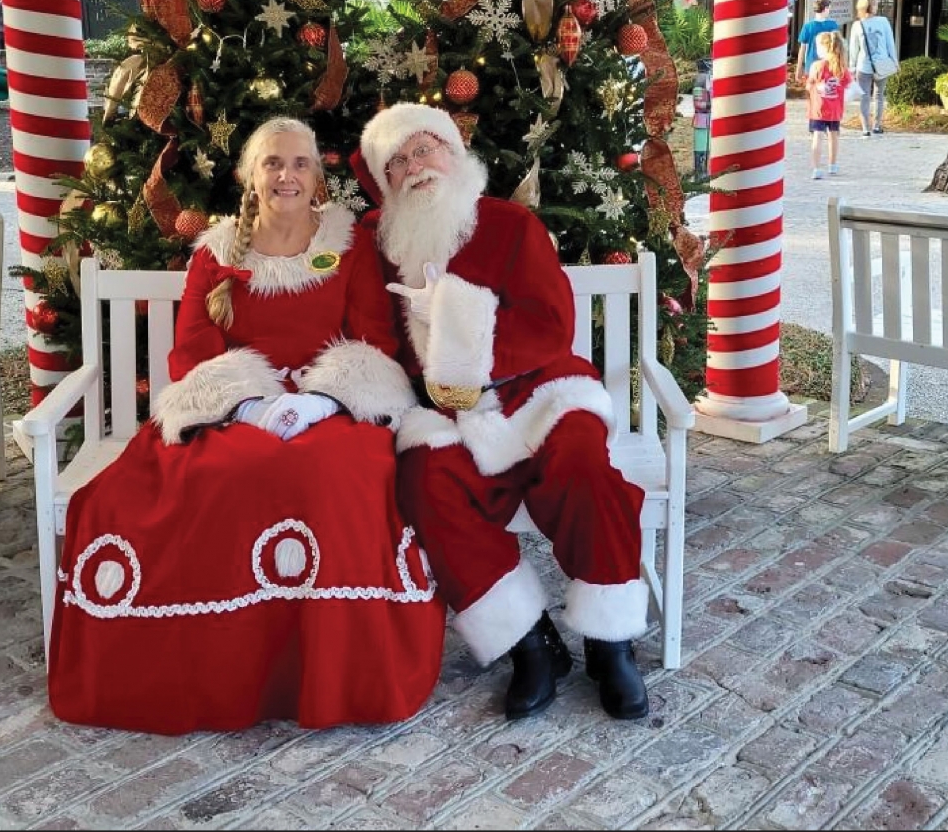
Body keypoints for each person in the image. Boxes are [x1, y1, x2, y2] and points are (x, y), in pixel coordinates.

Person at [47, 117, 446, 735]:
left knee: (329, 474)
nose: (287, 175)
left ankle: (329, 671)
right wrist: (248, 406)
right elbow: (193, 350)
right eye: (272, 163)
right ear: (249, 175)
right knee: (236, 470)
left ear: (318, 176)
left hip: (334, 408)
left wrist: (319, 402)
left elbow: (374, 337)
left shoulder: (348, 245)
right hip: (231, 411)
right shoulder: (217, 252)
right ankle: (226, 672)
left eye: (301, 164)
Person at [352, 103, 650, 723]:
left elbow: (550, 324)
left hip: (540, 390)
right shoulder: (380, 246)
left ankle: (609, 640)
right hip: (446, 411)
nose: (415, 167)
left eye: (425, 148)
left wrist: (459, 335)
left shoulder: (511, 224)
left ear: (454, 155)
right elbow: (378, 338)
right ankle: (530, 644)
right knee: (424, 484)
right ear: (386, 180)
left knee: (582, 466)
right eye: (398, 160)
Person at [848, 0, 899, 136]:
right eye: (875, 3)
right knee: (879, 96)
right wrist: (894, 61)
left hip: (863, 65)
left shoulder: (857, 25)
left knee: (864, 96)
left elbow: (853, 49)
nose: (877, 5)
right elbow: (890, 43)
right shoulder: (883, 21)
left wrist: (852, 67)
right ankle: (876, 125)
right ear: (871, 6)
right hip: (881, 64)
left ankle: (865, 128)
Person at [806, 30, 852, 179]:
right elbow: (847, 84)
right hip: (835, 108)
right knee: (834, 135)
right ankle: (832, 165)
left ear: (823, 48)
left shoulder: (817, 66)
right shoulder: (841, 67)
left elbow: (809, 85)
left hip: (818, 108)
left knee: (817, 136)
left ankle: (816, 168)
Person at [794, 0, 840, 86]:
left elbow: (802, 49)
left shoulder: (807, 26)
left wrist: (798, 68)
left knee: (812, 93)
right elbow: (837, 48)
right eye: (829, 8)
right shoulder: (833, 25)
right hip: (829, 65)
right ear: (825, 8)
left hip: (811, 65)